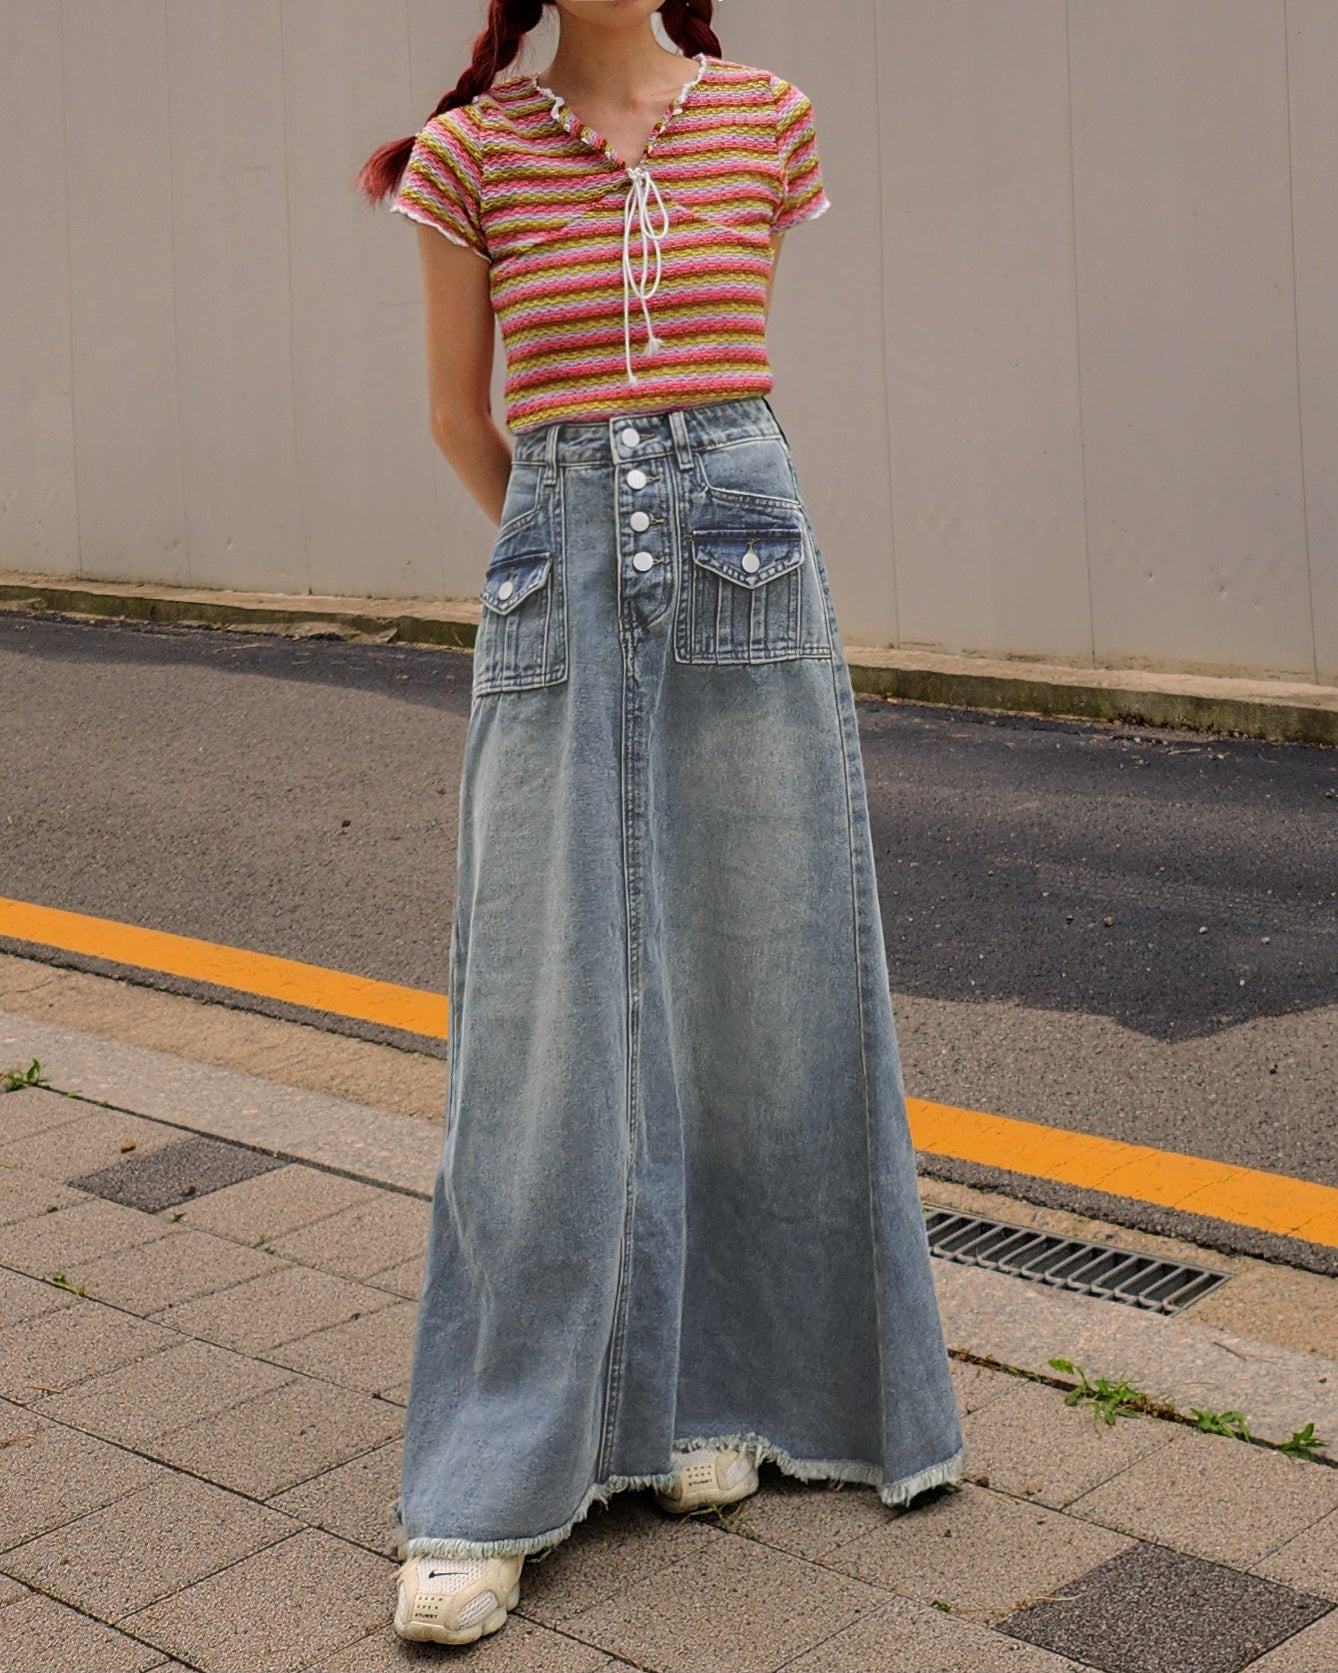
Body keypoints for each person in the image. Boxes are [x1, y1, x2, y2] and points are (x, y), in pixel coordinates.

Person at [359, 0, 964, 1647]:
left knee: (767, 984)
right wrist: (564, 549)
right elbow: (452, 413)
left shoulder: (767, 113)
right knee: (540, 1020)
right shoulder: (466, 151)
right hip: (556, 561)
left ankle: (719, 1396)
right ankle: (485, 1479)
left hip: (747, 552)